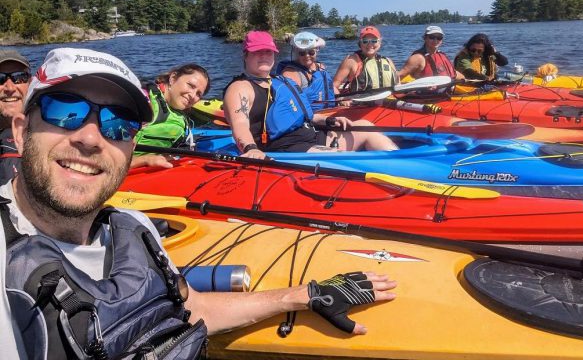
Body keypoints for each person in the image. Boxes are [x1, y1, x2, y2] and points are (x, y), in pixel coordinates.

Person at [1, 47, 396, 359]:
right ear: (20, 133)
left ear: (130, 146)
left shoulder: (132, 229)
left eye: (116, 124)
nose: (90, 138)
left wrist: (300, 295)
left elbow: (192, 308)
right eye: (64, 112)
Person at [224, 31, 399, 160]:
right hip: (285, 147)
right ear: (245, 55)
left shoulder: (278, 81)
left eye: (268, 51)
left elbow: (303, 113)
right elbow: (239, 124)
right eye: (257, 51)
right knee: (347, 158)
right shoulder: (241, 88)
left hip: (309, 135)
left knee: (366, 127)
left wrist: (327, 121)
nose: (264, 56)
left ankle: (402, 163)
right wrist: (251, 148)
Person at [131, 63, 210, 169]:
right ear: (173, 78)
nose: (192, 95)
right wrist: (145, 160)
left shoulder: (179, 116)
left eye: (198, 94)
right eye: (190, 86)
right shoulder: (143, 101)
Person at [276, 31, 336, 108]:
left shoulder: (320, 67)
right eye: (302, 53)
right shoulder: (290, 73)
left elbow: (330, 87)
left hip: (328, 111)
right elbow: (289, 104)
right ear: (296, 52)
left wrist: (341, 98)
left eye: (311, 52)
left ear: (316, 51)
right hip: (309, 117)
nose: (307, 56)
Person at [333, 26, 399, 94]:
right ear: (360, 43)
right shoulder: (351, 61)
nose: (370, 44)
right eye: (365, 41)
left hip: (388, 100)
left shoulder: (388, 61)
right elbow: (333, 86)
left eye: (374, 41)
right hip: (360, 102)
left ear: (380, 43)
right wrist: (341, 100)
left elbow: (398, 85)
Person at [0, 50, 31, 184]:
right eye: (0, 78)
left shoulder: (50, 124)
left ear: (31, 83)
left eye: (19, 77)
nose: (10, 88)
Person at [398, 25, 463, 81]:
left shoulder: (441, 55)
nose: (435, 40)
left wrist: (467, 80)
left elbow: (453, 73)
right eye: (432, 37)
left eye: (439, 38)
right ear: (425, 38)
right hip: (425, 93)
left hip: (445, 92)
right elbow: (399, 76)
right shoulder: (418, 58)